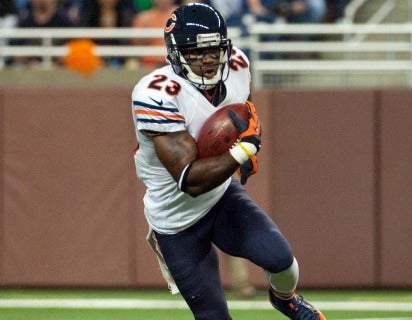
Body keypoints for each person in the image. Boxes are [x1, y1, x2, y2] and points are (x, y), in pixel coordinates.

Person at [131, 3, 326, 320]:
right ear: (176, 53)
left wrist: (242, 134)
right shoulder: (155, 94)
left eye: (214, 50)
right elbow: (190, 180)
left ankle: (284, 299)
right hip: (175, 220)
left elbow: (240, 109)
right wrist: (243, 149)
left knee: (282, 260)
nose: (208, 59)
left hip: (220, 199)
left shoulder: (237, 65)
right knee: (213, 316)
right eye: (196, 52)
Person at [11, 0, 73, 68]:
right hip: (29, 68)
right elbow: (14, 51)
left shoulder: (65, 22)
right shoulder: (24, 23)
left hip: (59, 68)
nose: (42, 1)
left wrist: (57, 60)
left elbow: (75, 48)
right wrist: (28, 62)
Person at [131, 0, 177, 68]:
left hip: (176, 61)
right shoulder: (143, 18)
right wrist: (145, 34)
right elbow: (135, 44)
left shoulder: (181, 15)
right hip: (150, 63)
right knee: (132, 64)